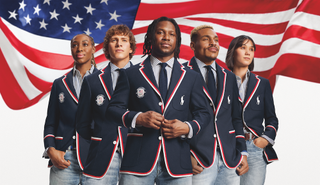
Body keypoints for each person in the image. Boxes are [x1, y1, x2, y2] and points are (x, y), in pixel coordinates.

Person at [106, 17, 212, 185]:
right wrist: (138, 118)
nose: (166, 37)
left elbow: (204, 113)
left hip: (178, 162)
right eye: (160, 32)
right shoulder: (130, 74)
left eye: (172, 34)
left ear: (177, 40)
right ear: (150, 37)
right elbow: (113, 109)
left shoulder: (191, 77)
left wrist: (187, 127)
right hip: (137, 161)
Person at [184, 25, 249, 185]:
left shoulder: (230, 77)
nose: (213, 43)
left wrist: (242, 152)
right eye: (206, 39)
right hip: (198, 160)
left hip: (230, 161)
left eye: (216, 40)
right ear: (193, 45)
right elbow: (173, 117)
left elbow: (236, 118)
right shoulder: (181, 74)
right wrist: (184, 154)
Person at [76, 24, 136, 185]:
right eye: (114, 40)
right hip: (100, 157)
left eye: (124, 40)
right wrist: (100, 136)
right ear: (107, 48)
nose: (119, 44)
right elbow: (82, 123)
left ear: (131, 48)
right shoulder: (92, 80)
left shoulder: (145, 77)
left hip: (136, 156)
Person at [43, 33, 98, 184]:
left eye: (85, 44)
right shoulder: (59, 83)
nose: (79, 48)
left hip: (96, 157)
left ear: (93, 49)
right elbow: (50, 123)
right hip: (63, 158)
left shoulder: (105, 80)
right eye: (74, 45)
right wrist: (50, 150)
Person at [225, 35, 279, 185]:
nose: (248, 52)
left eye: (251, 49)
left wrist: (263, 140)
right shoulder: (221, 81)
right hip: (227, 146)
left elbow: (272, 118)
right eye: (243, 47)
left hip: (254, 148)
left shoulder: (262, 84)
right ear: (232, 51)